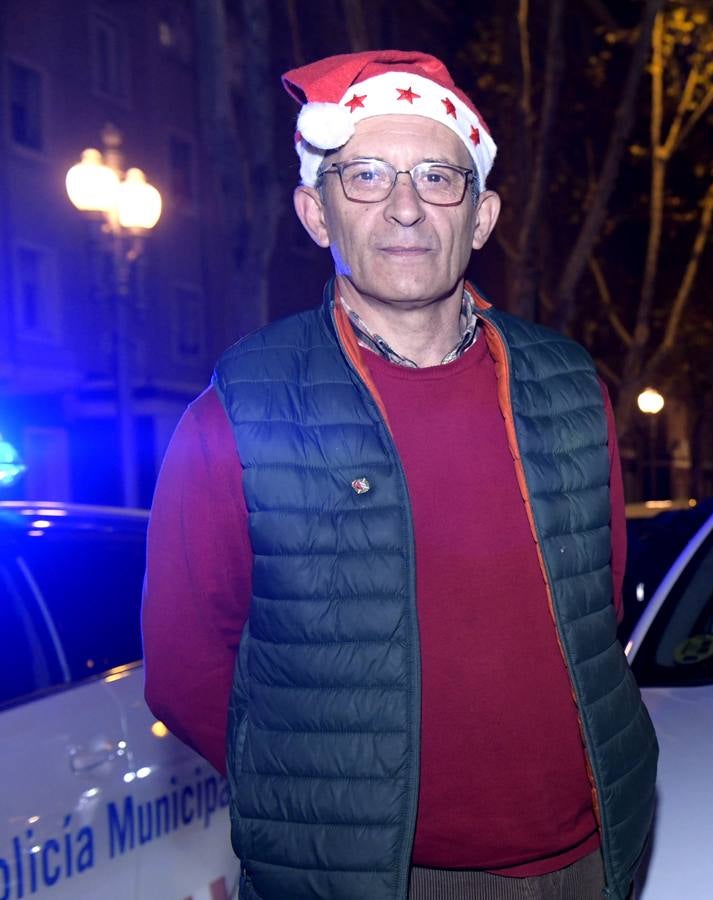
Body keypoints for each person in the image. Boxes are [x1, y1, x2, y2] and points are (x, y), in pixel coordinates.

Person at [141, 50, 656, 900]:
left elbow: (595, 603)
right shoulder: (241, 411)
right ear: (316, 213)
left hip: (591, 856)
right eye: (367, 176)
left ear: (482, 216)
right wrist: (315, 801)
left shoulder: (568, 385)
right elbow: (188, 666)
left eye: (437, 178)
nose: (407, 207)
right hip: (376, 880)